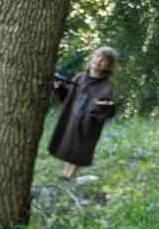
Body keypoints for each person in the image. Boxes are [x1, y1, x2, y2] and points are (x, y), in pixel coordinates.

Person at [48, 46, 118, 179]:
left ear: (108, 67)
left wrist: (102, 107)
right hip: (72, 119)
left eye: (104, 60)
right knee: (68, 145)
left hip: (88, 124)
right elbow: (67, 98)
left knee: (79, 149)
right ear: (91, 58)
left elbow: (107, 109)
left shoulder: (106, 86)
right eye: (97, 56)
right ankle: (64, 174)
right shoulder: (79, 78)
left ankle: (68, 177)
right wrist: (59, 88)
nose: (99, 60)